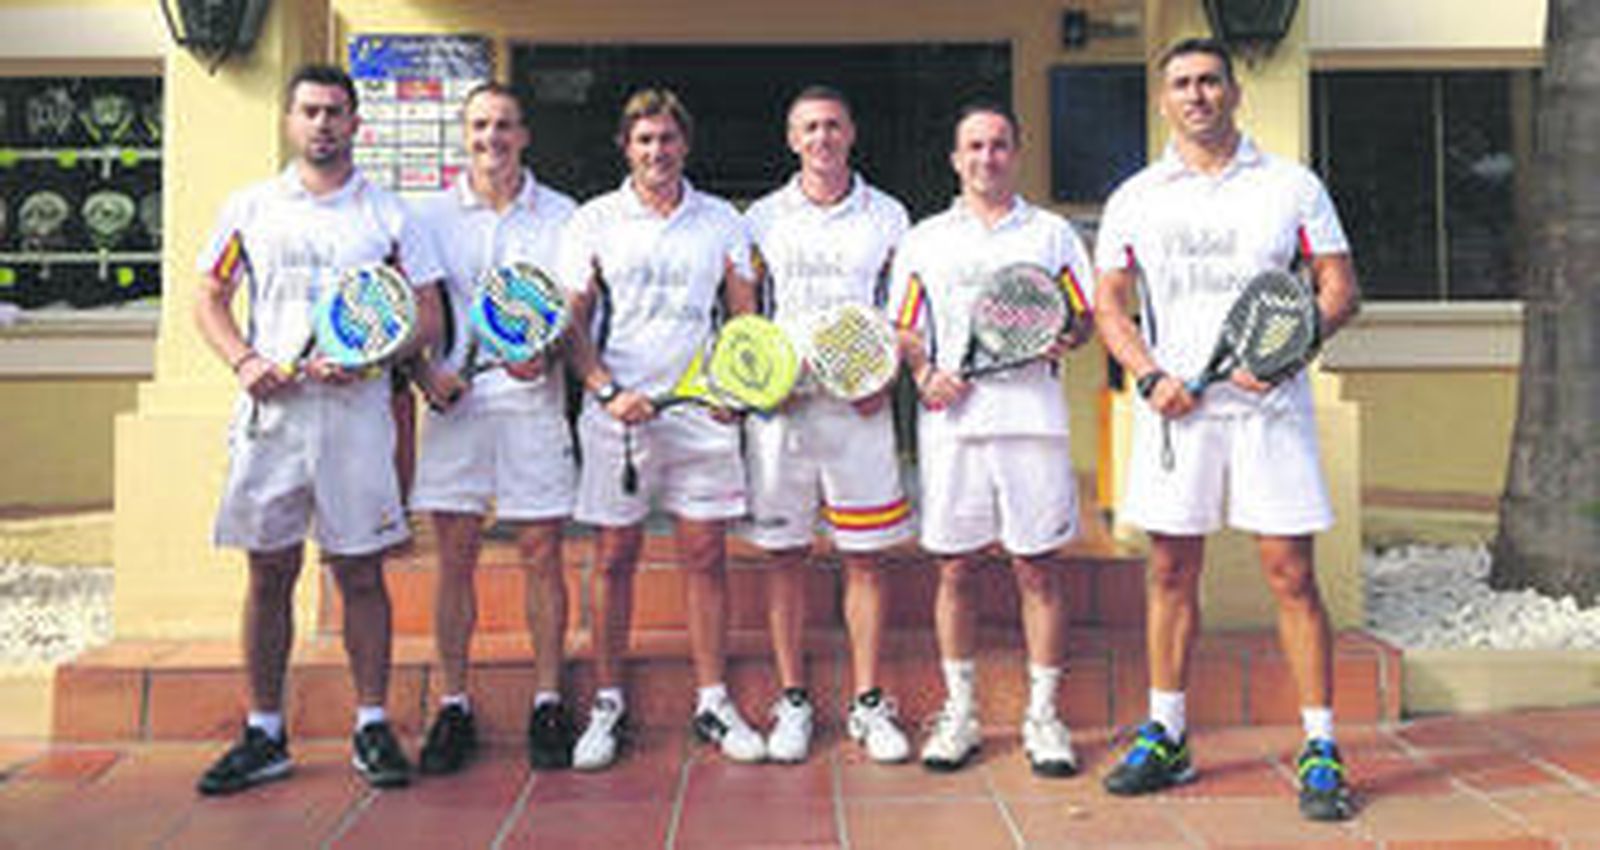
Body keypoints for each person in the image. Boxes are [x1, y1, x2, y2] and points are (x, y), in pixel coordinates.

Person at [1092, 38, 1361, 822]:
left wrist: (1286, 355)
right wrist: (1148, 375)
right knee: (1171, 570)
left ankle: (1319, 746)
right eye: (1181, 83)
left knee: (1291, 574)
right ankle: (1168, 735)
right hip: (1176, 414)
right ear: (1163, 100)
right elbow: (1110, 302)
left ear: (1234, 93)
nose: (1197, 94)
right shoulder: (1137, 196)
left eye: (1210, 81)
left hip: (1270, 411)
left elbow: (1338, 288)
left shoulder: (1291, 186)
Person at [192, 63, 445, 795]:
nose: (324, 124)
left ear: (356, 123)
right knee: (269, 570)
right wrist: (243, 360)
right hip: (272, 416)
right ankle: (265, 732)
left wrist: (369, 358)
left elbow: (425, 318)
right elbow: (209, 297)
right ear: (290, 120)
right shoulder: (250, 208)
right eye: (310, 111)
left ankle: (372, 725)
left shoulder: (390, 216)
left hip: (357, 420)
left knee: (361, 571)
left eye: (336, 111)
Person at [559, 88, 765, 770]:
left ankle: (712, 700)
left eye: (667, 139)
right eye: (644, 140)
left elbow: (743, 319)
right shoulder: (594, 220)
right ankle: (607, 704)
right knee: (613, 559)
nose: (657, 151)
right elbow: (574, 326)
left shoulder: (722, 222)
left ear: (686, 144)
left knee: (705, 556)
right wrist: (606, 390)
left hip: (700, 416)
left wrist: (736, 390)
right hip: (618, 416)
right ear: (626, 147)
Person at [888, 102, 1093, 776]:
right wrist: (923, 373)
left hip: (1033, 424)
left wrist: (1066, 332)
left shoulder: (1054, 235)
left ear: (1016, 152)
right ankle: (961, 713)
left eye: (999, 145)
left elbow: (1082, 318)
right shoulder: (924, 239)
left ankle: (1044, 717)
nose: (986, 158)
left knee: (1037, 569)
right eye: (973, 146)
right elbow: (907, 330)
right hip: (953, 428)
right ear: (956, 159)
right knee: (955, 568)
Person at [406, 83, 580, 775]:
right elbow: (414, 317)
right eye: (480, 125)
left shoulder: (563, 215)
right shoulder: (427, 217)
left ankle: (547, 701)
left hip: (533, 406)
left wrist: (550, 349)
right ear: (463, 133)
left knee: (542, 551)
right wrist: (425, 377)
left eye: (504, 125)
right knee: (453, 556)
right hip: (457, 408)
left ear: (525, 135)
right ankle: (453, 704)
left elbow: (571, 311)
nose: (492, 138)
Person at [741, 86, 915, 764]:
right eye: (809, 128)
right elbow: (742, 315)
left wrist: (885, 377)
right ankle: (793, 700)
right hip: (783, 413)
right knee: (785, 556)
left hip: (859, 413)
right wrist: (758, 383)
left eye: (833, 126)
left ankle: (869, 702)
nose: (822, 138)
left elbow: (905, 316)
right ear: (792, 139)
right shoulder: (758, 218)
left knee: (864, 558)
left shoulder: (891, 215)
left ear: (852, 133)